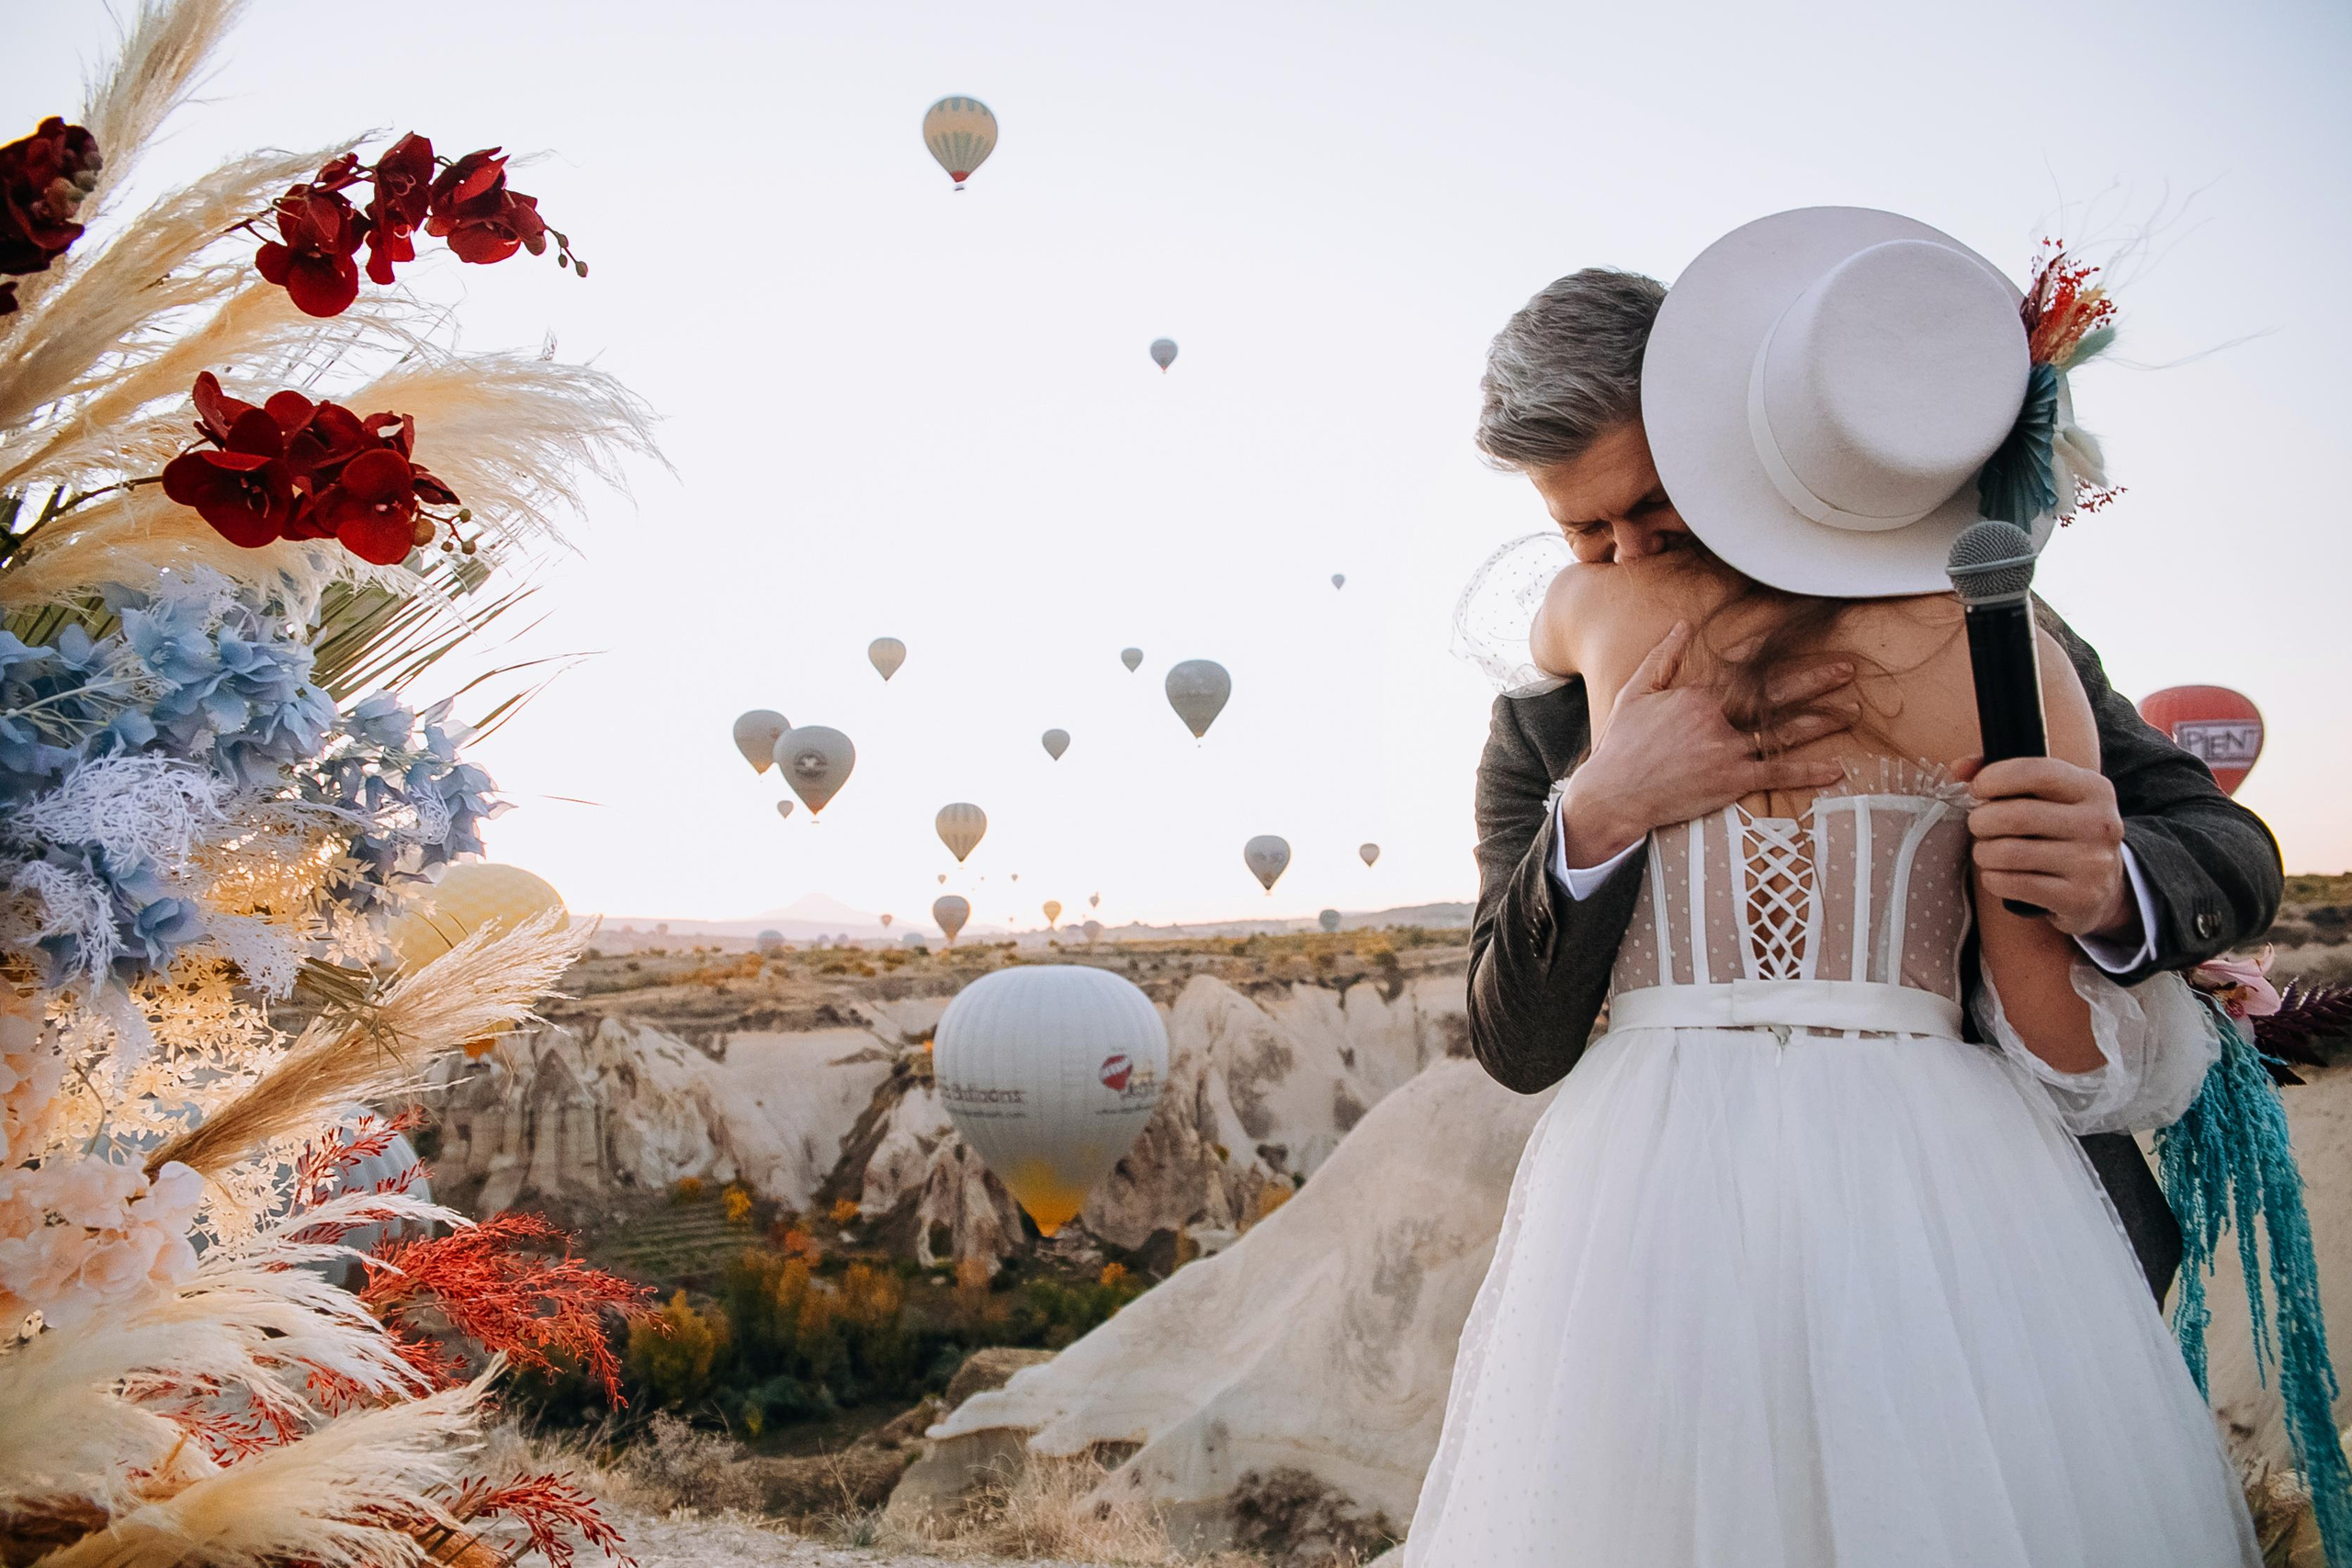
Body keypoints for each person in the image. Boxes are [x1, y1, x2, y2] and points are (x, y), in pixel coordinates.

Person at [1411, 209, 2265, 1563]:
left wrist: (2109, 886)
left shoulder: (1992, 620)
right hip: (1668, 1249)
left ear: (1722, 437)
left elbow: (2226, 849)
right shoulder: (1551, 716)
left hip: (1967, 1231)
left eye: (1655, 508)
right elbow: (1514, 1040)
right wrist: (1603, 804)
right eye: (1584, 535)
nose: (1627, 557)